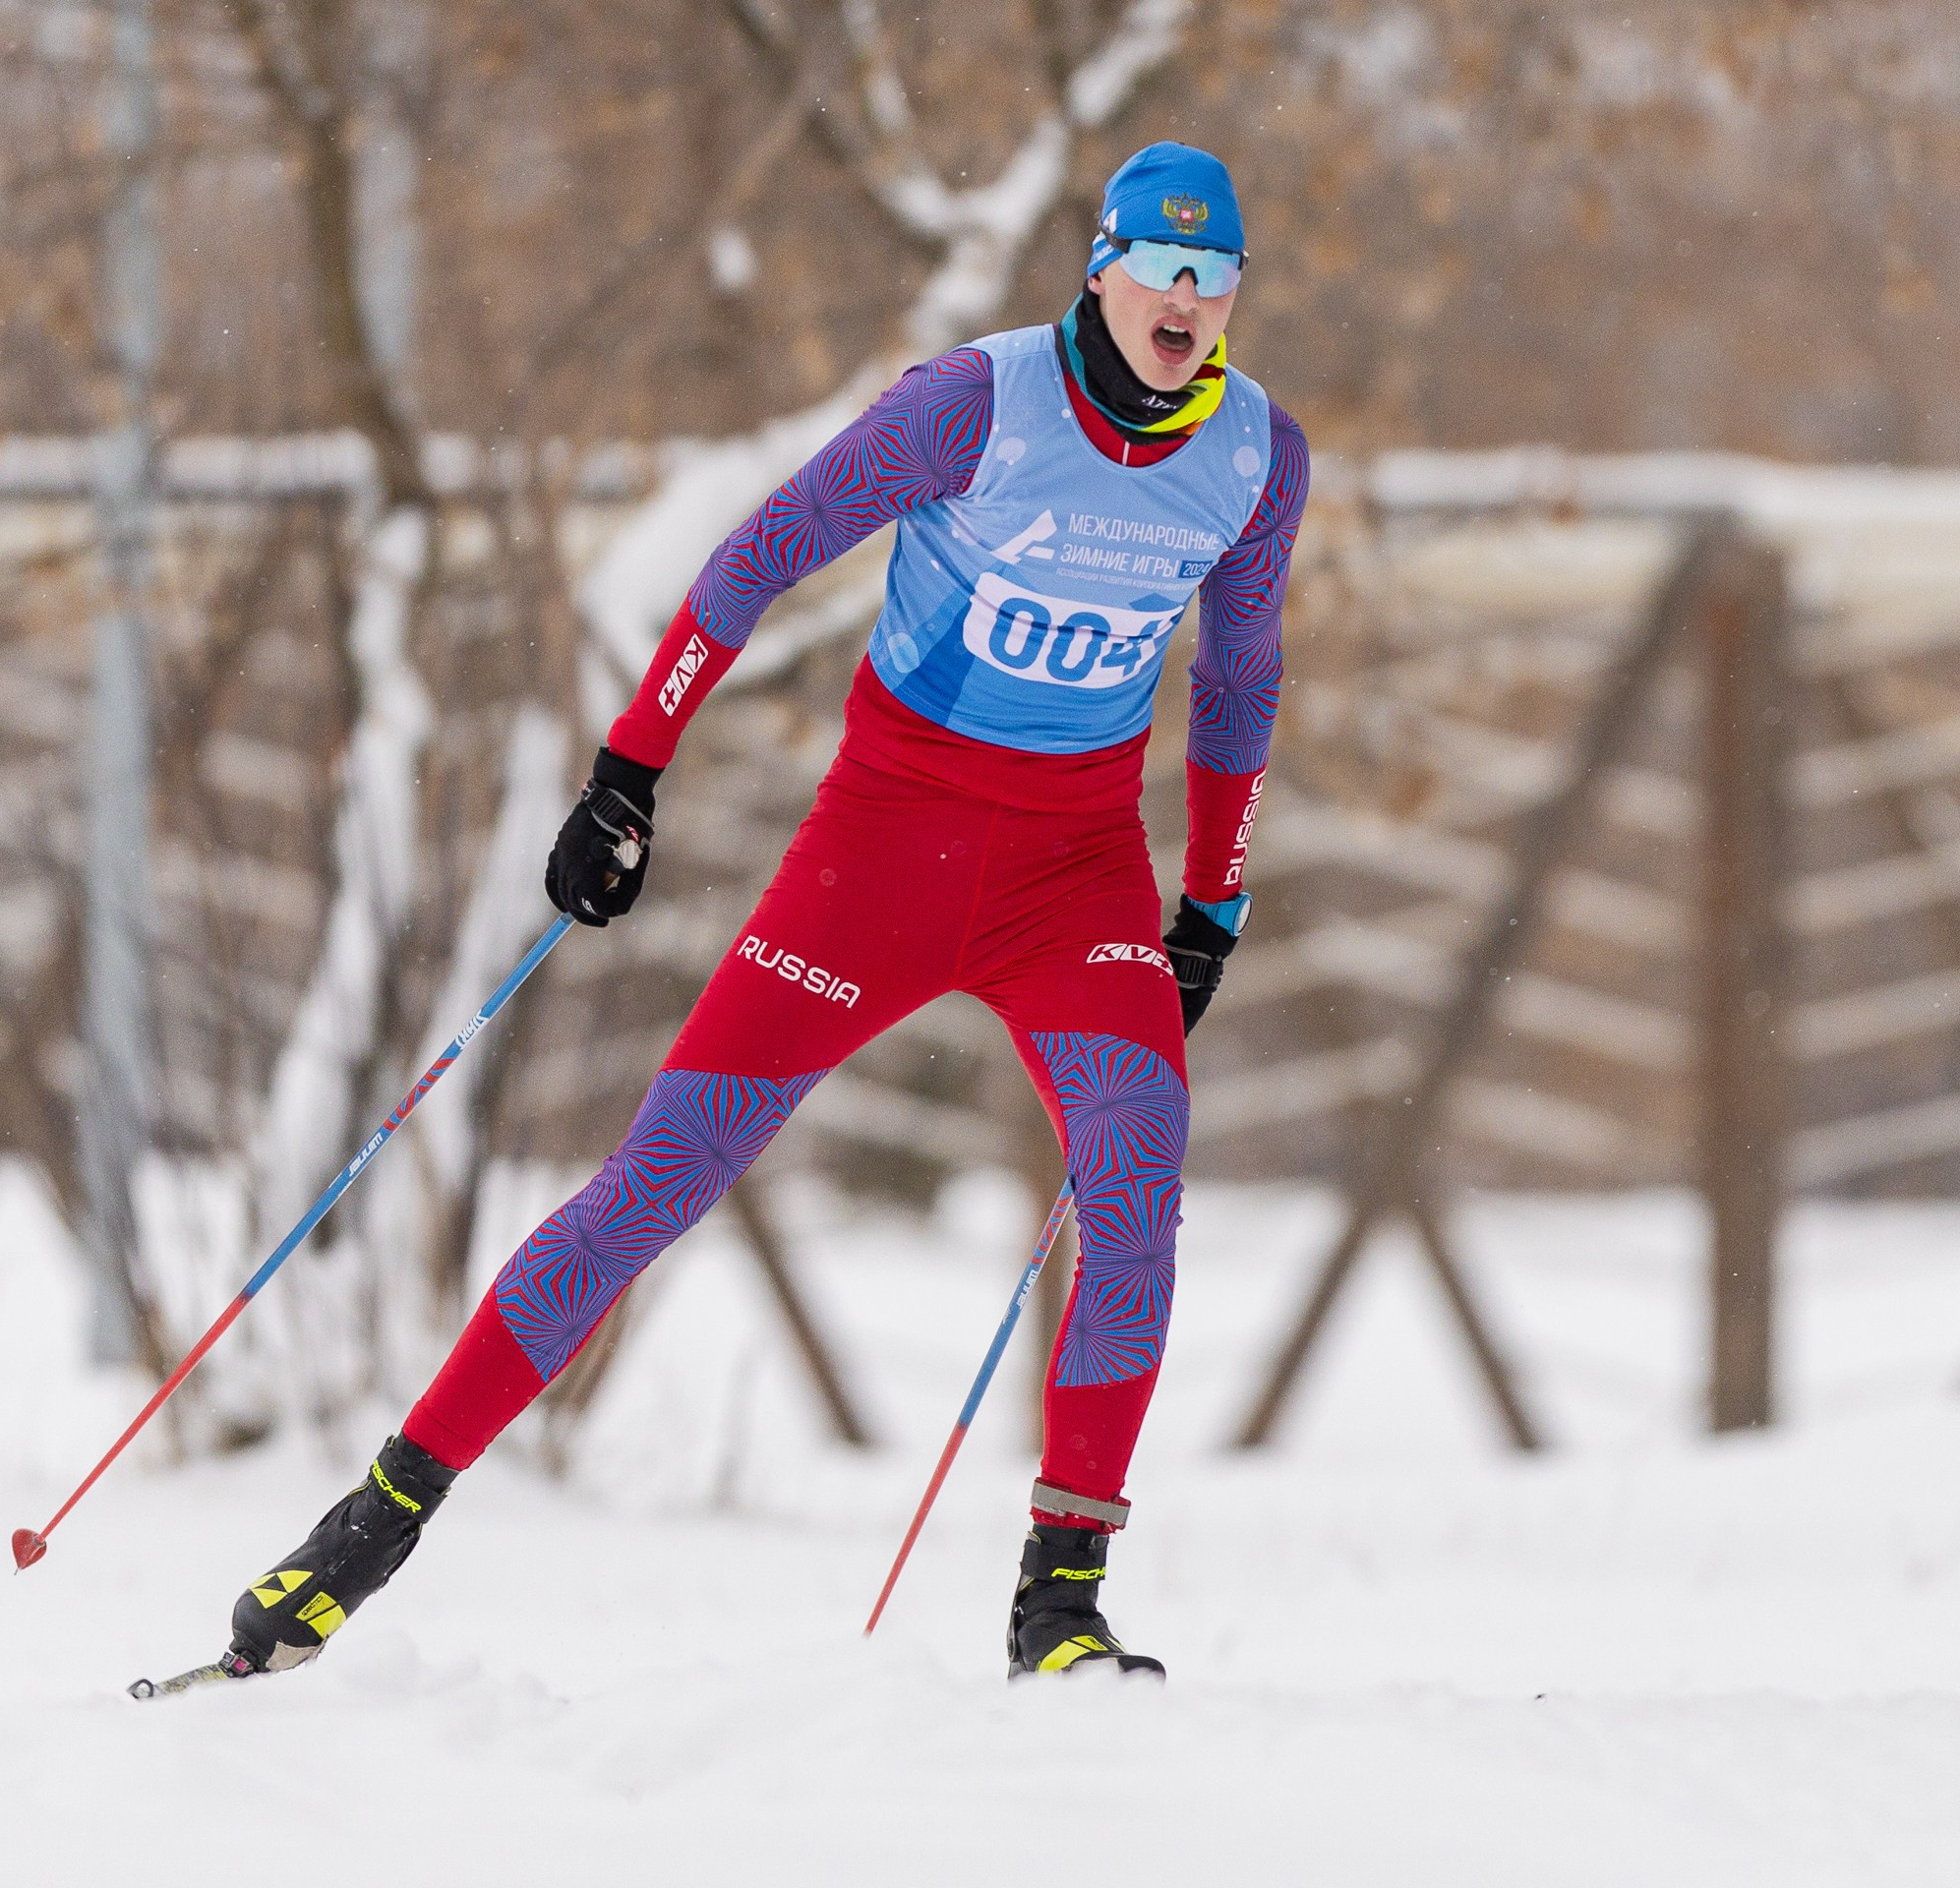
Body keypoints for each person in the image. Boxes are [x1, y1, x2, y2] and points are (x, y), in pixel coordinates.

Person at [217, 142, 1308, 1682]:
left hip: (1075, 877)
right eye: (1163, 270)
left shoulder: (1256, 457)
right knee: (665, 1174)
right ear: (1101, 266)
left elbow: (1243, 678)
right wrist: (627, 772)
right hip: (885, 855)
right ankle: (376, 1522)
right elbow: (763, 553)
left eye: (1219, 280)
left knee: (1139, 1170)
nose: (1188, 305)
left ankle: (1060, 1600)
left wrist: (1214, 898)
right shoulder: (974, 404)